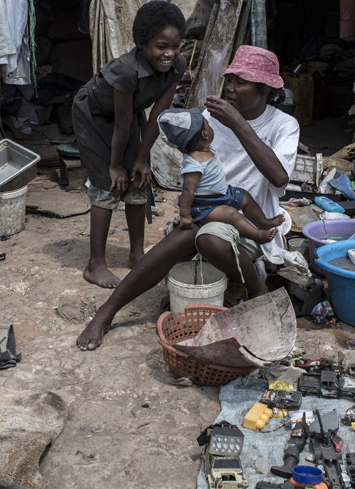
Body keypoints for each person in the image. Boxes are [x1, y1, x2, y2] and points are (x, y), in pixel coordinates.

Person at [78, 45, 299, 350]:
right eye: (230, 79)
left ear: (264, 89)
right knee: (192, 231)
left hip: (247, 224)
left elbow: (279, 178)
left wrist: (237, 123)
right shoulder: (211, 118)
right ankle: (108, 311)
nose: (231, 88)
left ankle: (256, 288)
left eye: (241, 82)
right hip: (206, 212)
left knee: (207, 237)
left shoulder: (283, 125)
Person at [71, 1, 186, 289]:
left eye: (175, 45)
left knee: (139, 179)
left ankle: (137, 254)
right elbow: (121, 124)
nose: (169, 53)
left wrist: (141, 158)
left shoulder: (176, 66)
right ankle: (94, 265)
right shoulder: (125, 70)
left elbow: (156, 116)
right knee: (108, 184)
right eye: (161, 46)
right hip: (94, 115)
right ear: (141, 44)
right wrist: (113, 166)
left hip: (130, 113)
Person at [157, 108, 283, 244]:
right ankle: (257, 235)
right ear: (205, 134)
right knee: (231, 214)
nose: (211, 126)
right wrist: (185, 216)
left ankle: (263, 221)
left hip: (222, 194)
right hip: (204, 206)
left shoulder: (206, 148)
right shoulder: (194, 163)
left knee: (245, 197)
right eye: (208, 124)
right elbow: (188, 191)